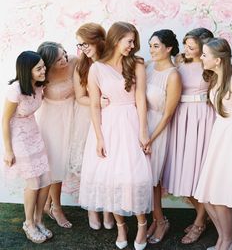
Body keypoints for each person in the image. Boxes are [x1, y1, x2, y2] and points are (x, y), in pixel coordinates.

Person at [79, 21, 152, 250]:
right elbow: (93, 106)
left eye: (133, 41)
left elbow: (140, 98)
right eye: (129, 41)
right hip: (107, 126)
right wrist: (100, 138)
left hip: (131, 123)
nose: (132, 46)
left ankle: (141, 224)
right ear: (116, 39)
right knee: (110, 177)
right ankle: (121, 226)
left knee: (135, 175)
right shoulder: (96, 68)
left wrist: (142, 130)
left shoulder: (137, 64)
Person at [163, 28, 216, 244]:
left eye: (191, 47)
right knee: (184, 173)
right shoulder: (178, 60)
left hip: (203, 118)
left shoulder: (210, 64)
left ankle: (200, 221)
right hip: (181, 117)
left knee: (199, 174)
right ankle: (205, 216)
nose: (186, 49)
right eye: (186, 45)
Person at [2, 51, 52, 244]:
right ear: (26, 71)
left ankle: (39, 220)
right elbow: (5, 120)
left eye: (44, 66)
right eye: (39, 68)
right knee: (33, 183)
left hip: (34, 133)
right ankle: (29, 223)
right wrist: (8, 150)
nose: (44, 70)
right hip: (18, 138)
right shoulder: (15, 90)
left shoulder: (40, 86)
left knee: (46, 180)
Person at [67, 22, 114, 229]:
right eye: (80, 45)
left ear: (98, 41)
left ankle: (108, 210)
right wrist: (98, 102)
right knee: (90, 166)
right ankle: (92, 210)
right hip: (87, 118)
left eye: (86, 43)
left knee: (108, 164)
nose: (83, 48)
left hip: (112, 118)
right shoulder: (81, 66)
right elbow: (80, 97)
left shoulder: (112, 62)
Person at [195, 38, 232, 250]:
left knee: (220, 194)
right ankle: (223, 237)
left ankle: (227, 240)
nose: (201, 57)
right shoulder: (215, 79)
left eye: (204, 54)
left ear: (218, 60)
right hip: (219, 136)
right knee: (208, 194)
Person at [145, 30, 182, 244]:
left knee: (153, 179)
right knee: (145, 178)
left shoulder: (173, 75)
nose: (152, 50)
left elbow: (168, 114)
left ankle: (161, 221)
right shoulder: (148, 67)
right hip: (142, 126)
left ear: (169, 48)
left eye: (156, 46)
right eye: (150, 45)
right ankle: (155, 218)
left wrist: (151, 137)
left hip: (159, 128)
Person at [37, 41, 77, 228]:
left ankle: (47, 204)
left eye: (65, 54)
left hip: (73, 116)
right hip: (52, 121)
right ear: (48, 62)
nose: (65, 59)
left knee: (66, 161)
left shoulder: (74, 62)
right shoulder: (41, 75)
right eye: (59, 58)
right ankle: (56, 208)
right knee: (55, 165)